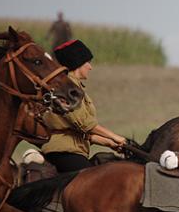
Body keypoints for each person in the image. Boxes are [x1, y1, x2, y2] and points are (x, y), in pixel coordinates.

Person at [41, 40, 127, 172]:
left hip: (73, 151)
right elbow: (84, 123)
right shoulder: (68, 88)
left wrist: (108, 143)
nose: (90, 67)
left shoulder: (75, 87)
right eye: (88, 62)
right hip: (64, 152)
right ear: (78, 64)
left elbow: (80, 132)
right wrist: (115, 137)